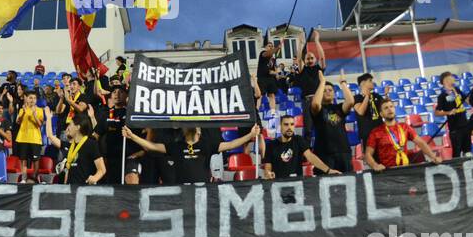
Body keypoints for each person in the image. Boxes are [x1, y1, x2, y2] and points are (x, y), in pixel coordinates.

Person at [124, 123, 260, 185]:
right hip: (182, 192)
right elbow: (153, 146)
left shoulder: (207, 145)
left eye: (194, 124)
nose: (191, 125)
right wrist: (132, 136)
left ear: (199, 131)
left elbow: (231, 144)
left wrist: (251, 135)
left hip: (202, 192)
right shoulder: (176, 147)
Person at [365, 100, 441, 170]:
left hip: (406, 170)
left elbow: (421, 143)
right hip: (388, 174)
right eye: (386, 108)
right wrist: (374, 165)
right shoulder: (375, 132)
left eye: (391, 106)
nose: (389, 109)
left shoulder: (405, 127)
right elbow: (368, 154)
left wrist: (433, 157)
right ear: (381, 114)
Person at [262, 114, 337, 179]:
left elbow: (311, 157)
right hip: (278, 184)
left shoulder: (298, 140)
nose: (289, 127)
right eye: (286, 124)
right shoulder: (271, 145)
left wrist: (328, 170)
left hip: (297, 183)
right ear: (280, 127)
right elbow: (267, 167)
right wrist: (268, 174)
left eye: (292, 124)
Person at [45, 113, 106, 185]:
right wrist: (48, 118)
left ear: (78, 127)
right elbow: (50, 136)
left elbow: (102, 169)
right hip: (70, 190)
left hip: (84, 190)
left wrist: (95, 178)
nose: (68, 128)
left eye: (70, 124)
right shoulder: (70, 146)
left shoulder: (91, 144)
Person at [309, 78, 355, 174]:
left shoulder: (339, 108)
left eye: (330, 90)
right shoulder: (318, 110)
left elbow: (350, 101)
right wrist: (322, 82)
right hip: (323, 155)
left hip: (343, 152)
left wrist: (343, 83)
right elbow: (316, 103)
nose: (328, 92)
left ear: (334, 93)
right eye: (324, 91)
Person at [433, 71, 472, 157]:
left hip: (465, 124)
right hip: (455, 128)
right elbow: (436, 112)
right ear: (445, 81)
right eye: (451, 77)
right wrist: (448, 112)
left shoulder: (457, 90)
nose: (453, 78)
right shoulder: (442, 96)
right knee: (457, 153)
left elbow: (467, 100)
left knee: (468, 151)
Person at [13, 91, 47, 182]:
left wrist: (34, 115)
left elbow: (40, 125)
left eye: (34, 98)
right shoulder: (22, 109)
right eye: (30, 98)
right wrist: (23, 112)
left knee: (36, 160)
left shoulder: (40, 110)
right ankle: (23, 179)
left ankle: (35, 178)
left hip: (35, 139)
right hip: (23, 138)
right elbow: (18, 122)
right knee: (23, 160)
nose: (32, 100)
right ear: (26, 99)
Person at [352, 73, 384, 148]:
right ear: (362, 83)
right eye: (370, 80)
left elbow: (384, 109)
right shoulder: (356, 98)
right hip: (367, 133)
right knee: (370, 156)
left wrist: (386, 95)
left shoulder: (376, 96)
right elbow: (360, 112)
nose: (372, 82)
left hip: (381, 131)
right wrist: (367, 97)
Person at [255, 40, 281, 115]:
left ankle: (273, 112)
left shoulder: (272, 59)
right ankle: (256, 112)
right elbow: (268, 53)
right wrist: (276, 48)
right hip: (262, 78)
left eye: (272, 46)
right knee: (260, 95)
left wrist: (276, 73)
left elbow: (272, 69)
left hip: (270, 79)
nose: (271, 47)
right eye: (269, 46)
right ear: (265, 47)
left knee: (272, 95)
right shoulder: (263, 53)